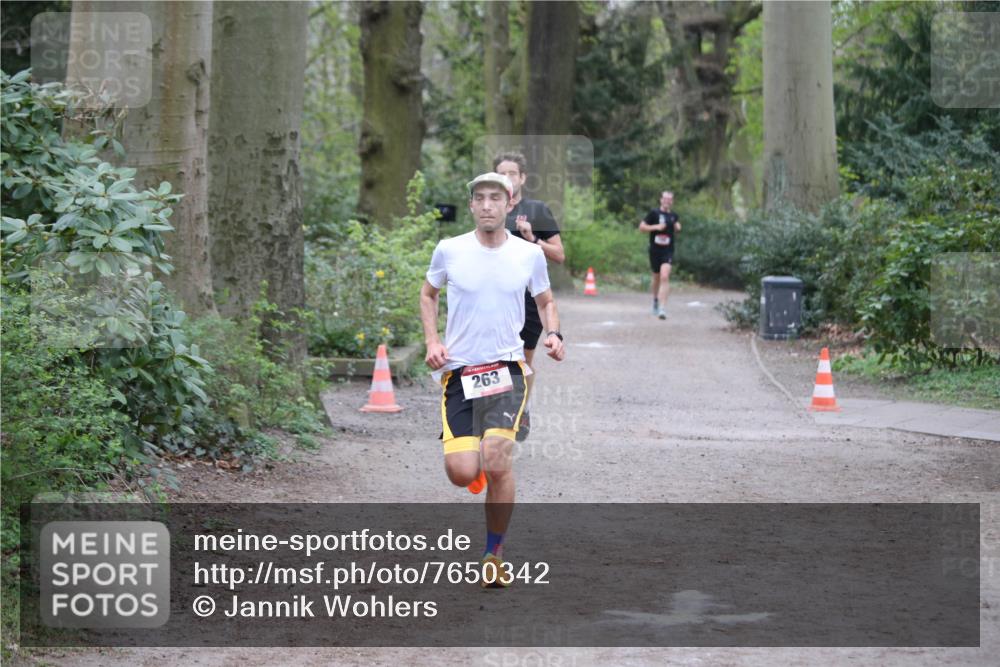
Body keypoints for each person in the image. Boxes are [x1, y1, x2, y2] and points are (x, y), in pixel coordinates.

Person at [420, 172, 566, 587]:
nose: (487, 205)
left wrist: (554, 333)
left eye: (495, 198)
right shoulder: (449, 250)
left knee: (498, 458)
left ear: (509, 205)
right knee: (462, 473)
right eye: (480, 198)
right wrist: (432, 340)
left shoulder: (528, 254)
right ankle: (478, 465)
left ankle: (493, 555)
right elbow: (428, 294)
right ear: (471, 205)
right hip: (459, 373)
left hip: (507, 369)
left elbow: (546, 300)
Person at [493, 151, 566, 440]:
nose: (507, 178)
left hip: (527, 299)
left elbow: (559, 254)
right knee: (493, 359)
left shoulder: (537, 210)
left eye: (512, 173)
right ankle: (496, 414)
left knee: (522, 361)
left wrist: (533, 239)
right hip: (495, 297)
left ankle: (521, 409)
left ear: (522, 178)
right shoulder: (489, 210)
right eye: (502, 173)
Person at [638, 191, 682, 319]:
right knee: (656, 277)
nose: (667, 201)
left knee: (664, 276)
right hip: (655, 250)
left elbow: (677, 226)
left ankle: (662, 309)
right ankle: (655, 301)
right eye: (665, 199)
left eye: (669, 199)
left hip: (668, 250)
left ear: (672, 202)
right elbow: (641, 227)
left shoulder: (674, 216)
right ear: (661, 200)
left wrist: (678, 227)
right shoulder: (654, 213)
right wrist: (656, 227)